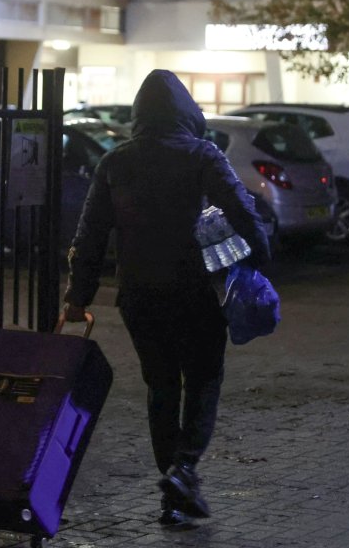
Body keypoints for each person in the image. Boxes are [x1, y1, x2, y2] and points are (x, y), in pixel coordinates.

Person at [61, 69, 271, 526]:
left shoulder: (114, 162)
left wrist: (79, 296)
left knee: (160, 386)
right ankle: (184, 468)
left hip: (138, 297)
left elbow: (90, 235)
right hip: (193, 292)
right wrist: (261, 253)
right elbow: (242, 208)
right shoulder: (201, 155)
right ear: (185, 112)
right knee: (203, 380)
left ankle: (173, 494)